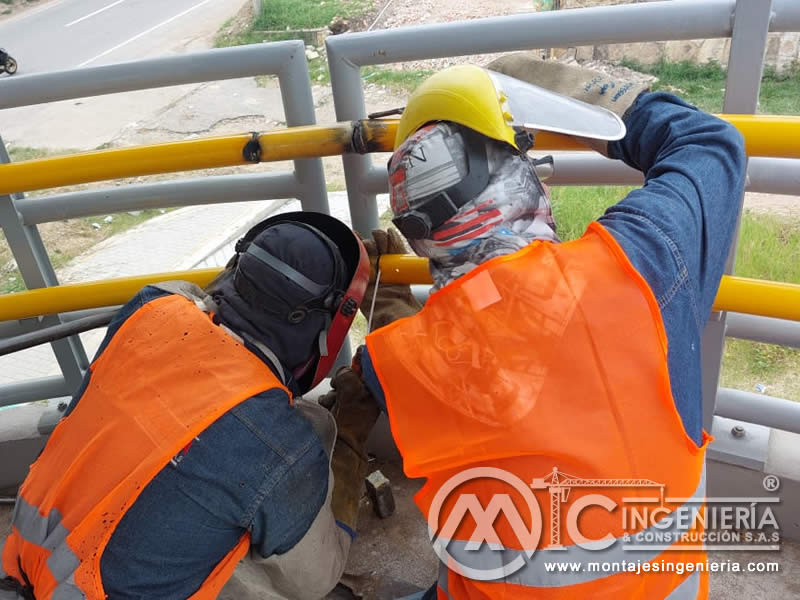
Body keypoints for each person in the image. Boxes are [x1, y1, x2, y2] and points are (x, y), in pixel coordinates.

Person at [328, 56, 747, 599]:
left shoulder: (395, 362)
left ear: (418, 236)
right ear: (521, 178)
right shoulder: (638, 267)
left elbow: (430, 349)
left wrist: (387, 293)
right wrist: (592, 96)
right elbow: (710, 144)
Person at [0, 211, 378, 599]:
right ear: (326, 332)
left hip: (26, 561)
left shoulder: (152, 307)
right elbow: (315, 579)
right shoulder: (279, 443)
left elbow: (190, 297)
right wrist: (348, 434)